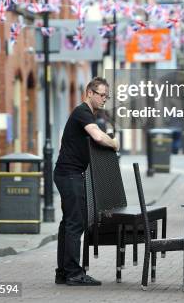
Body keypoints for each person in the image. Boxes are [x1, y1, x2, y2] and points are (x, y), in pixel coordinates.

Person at [54, 76, 119, 286]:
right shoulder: (83, 112)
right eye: (101, 95)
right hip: (70, 175)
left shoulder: (85, 114)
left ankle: (63, 272)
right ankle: (74, 273)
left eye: (106, 97)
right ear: (89, 93)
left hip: (68, 174)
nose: (103, 100)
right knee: (76, 222)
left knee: (68, 224)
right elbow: (98, 137)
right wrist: (114, 143)